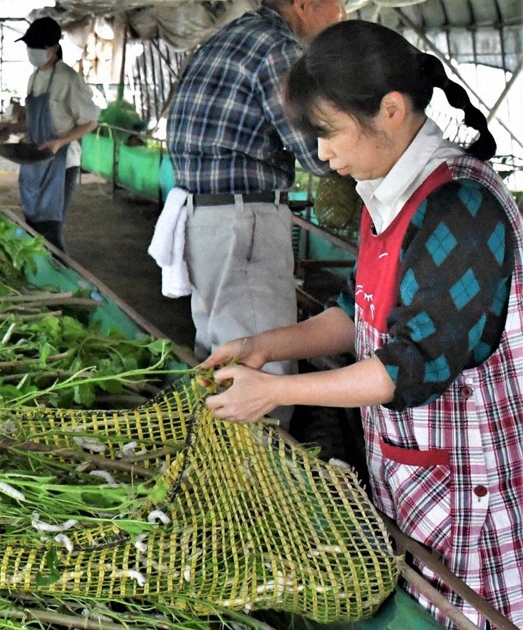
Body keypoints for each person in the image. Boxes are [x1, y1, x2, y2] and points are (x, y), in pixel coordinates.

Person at [203, 20, 522, 629]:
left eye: (328, 133)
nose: (321, 154)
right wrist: (262, 347)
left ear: (392, 110)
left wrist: (277, 390)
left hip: (472, 486)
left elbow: (408, 365)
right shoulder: (392, 195)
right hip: (419, 472)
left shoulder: (459, 205)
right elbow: (359, 315)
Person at [165, 0, 345, 423]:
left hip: (204, 218)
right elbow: (318, 151)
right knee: (259, 365)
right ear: (305, 4)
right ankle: (259, 476)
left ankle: (216, 463)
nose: (341, 16)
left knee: (221, 355)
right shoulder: (278, 50)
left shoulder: (226, 38)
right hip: (243, 223)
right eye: (338, 5)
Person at [14, 16, 100, 252]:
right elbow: (35, 118)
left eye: (36, 48)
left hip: (60, 162)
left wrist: (59, 141)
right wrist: (20, 132)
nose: (32, 52)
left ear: (53, 49)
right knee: (32, 223)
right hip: (35, 158)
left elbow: (90, 122)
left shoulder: (68, 78)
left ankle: (61, 275)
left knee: (50, 229)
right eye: (29, 47)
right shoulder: (34, 77)